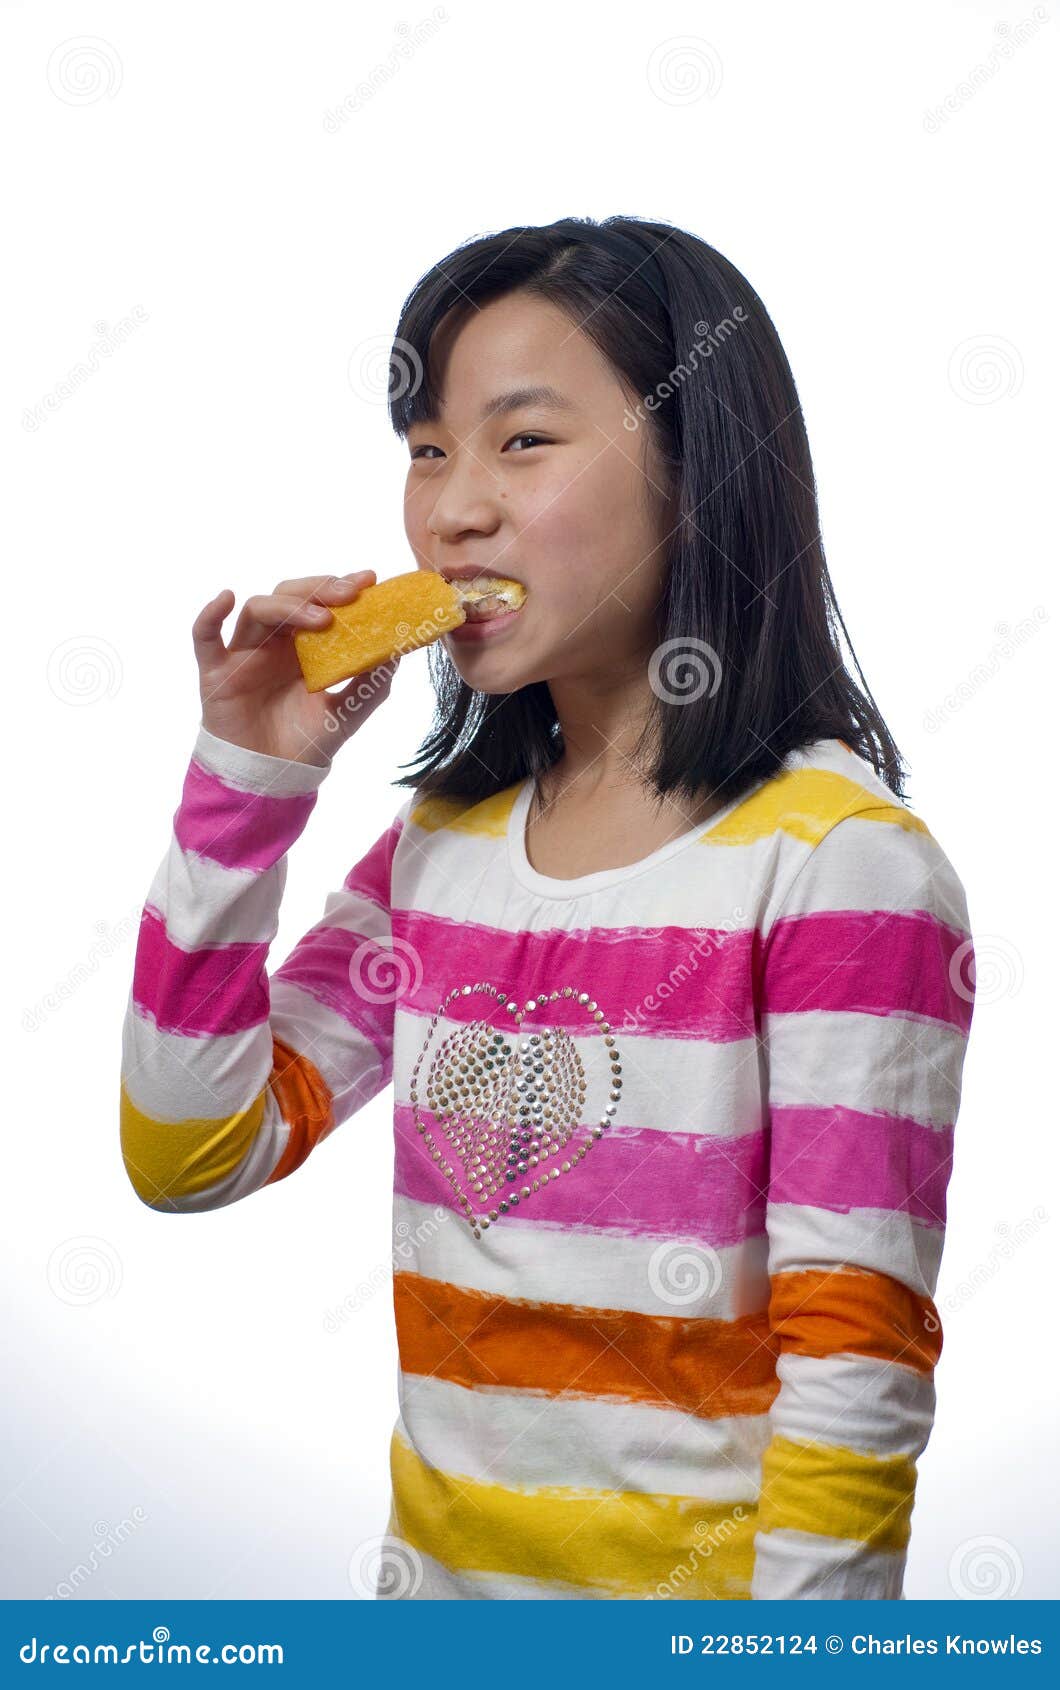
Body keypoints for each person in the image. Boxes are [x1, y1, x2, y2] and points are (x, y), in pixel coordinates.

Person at [119, 215, 976, 1600]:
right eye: (427, 448)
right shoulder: (442, 849)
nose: (453, 508)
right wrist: (248, 778)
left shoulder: (839, 865)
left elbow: (854, 1352)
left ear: (701, 476)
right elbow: (192, 1148)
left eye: (523, 441)